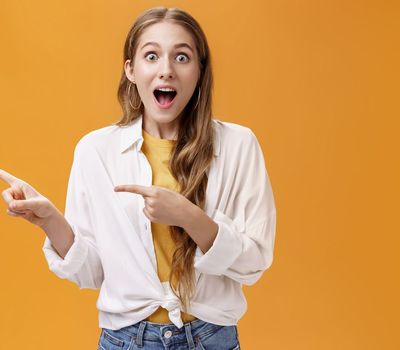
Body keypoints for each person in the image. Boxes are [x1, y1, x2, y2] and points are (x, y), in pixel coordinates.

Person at [0, 7, 276, 350]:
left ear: (200, 70)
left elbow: (254, 264)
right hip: (125, 341)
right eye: (151, 56)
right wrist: (49, 221)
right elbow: (92, 273)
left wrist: (188, 216)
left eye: (182, 57)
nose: (166, 70)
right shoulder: (95, 151)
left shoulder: (239, 145)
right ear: (131, 69)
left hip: (211, 338)